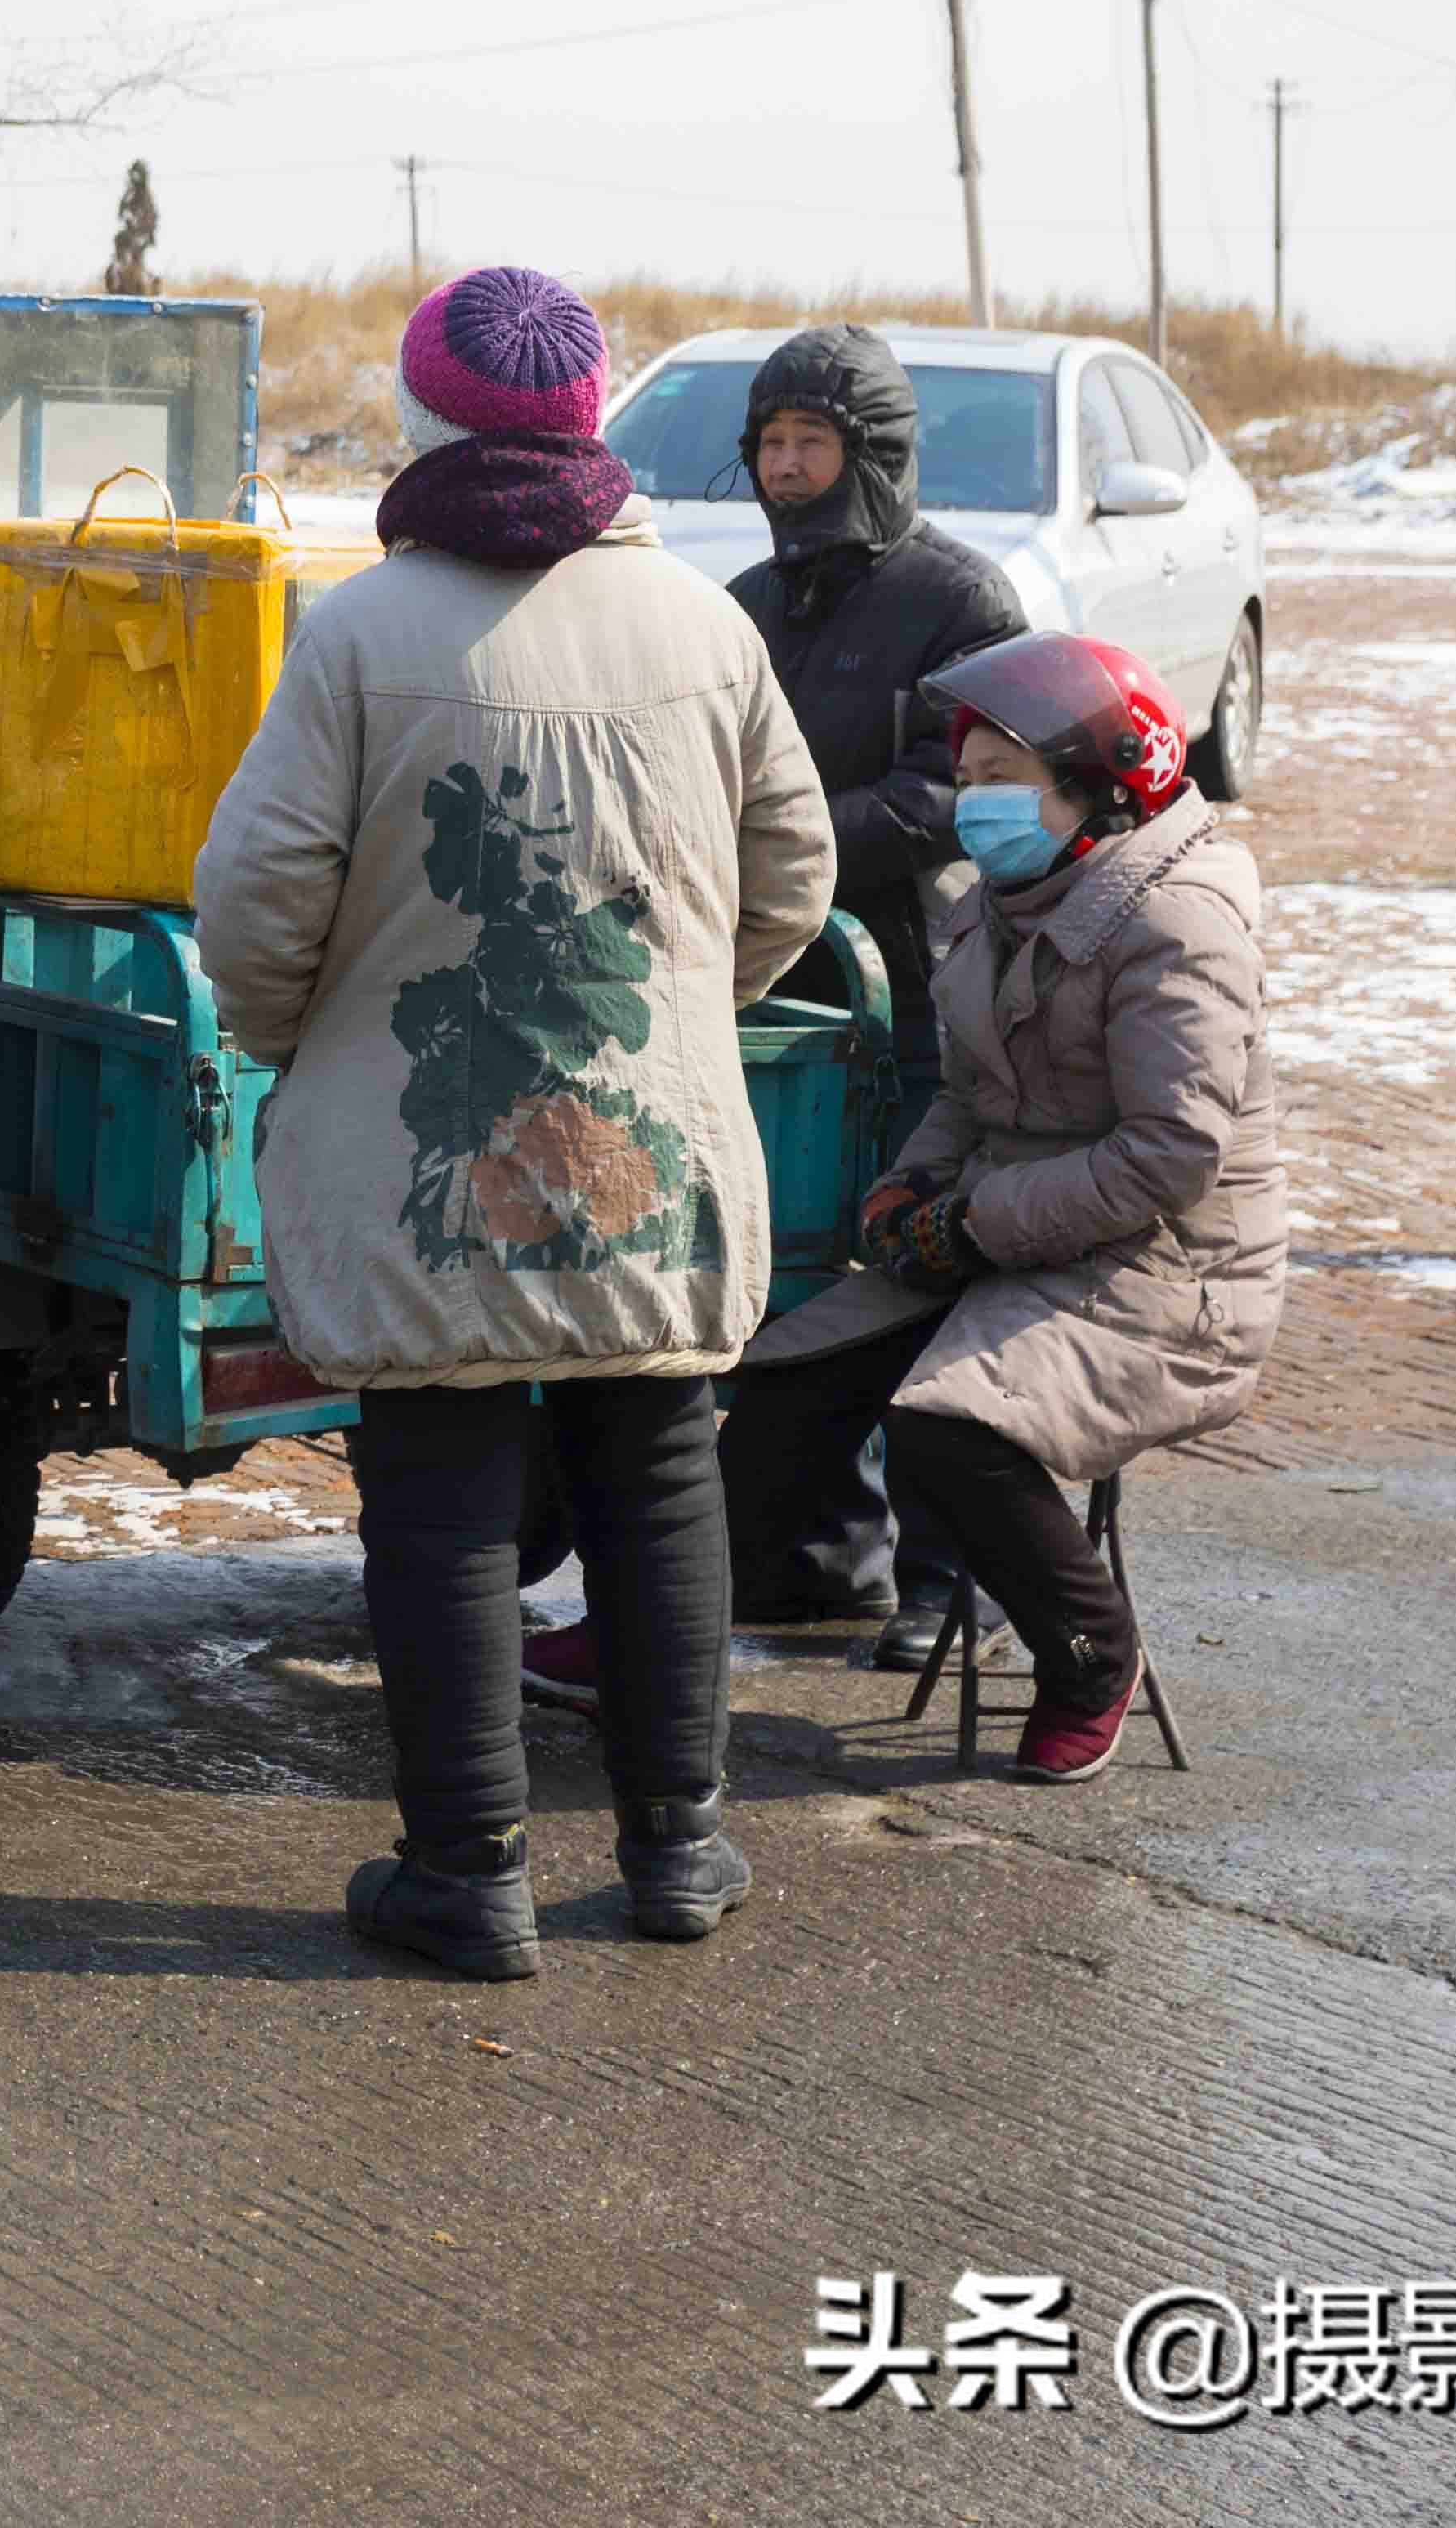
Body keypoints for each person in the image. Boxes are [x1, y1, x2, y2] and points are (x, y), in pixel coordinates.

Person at [192, 267, 833, 1981]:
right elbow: (795, 877)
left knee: (440, 1474)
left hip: (430, 1133)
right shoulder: (707, 628)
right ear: (590, 418)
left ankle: (468, 1871)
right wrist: (682, 1001)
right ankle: (680, 1844)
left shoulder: (360, 630)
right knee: (658, 1457)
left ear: (424, 421)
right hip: (655, 1134)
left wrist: (293, 1046)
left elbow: (257, 901)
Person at [706, 633, 1279, 1787]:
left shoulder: (1178, 924)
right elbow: (966, 1097)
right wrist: (912, 1187)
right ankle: (653, 1628)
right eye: (968, 781)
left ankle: (1089, 1656)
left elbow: (1170, 1156)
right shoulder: (1000, 902)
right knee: (787, 1372)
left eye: (1003, 781)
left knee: (951, 1429)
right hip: (1017, 1238)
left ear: (1098, 788)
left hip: (1166, 1274)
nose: (976, 806)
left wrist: (974, 1222)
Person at [721, 323, 1028, 1661]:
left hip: (921, 991)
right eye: (770, 446)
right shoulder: (736, 603)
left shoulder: (965, 602)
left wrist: (783, 844)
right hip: (781, 996)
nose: (788, 471)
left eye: (812, 445)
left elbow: (958, 795)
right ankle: (812, 1557)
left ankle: (958, 1573)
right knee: (795, 1277)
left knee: (922, 1269)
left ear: (874, 455)